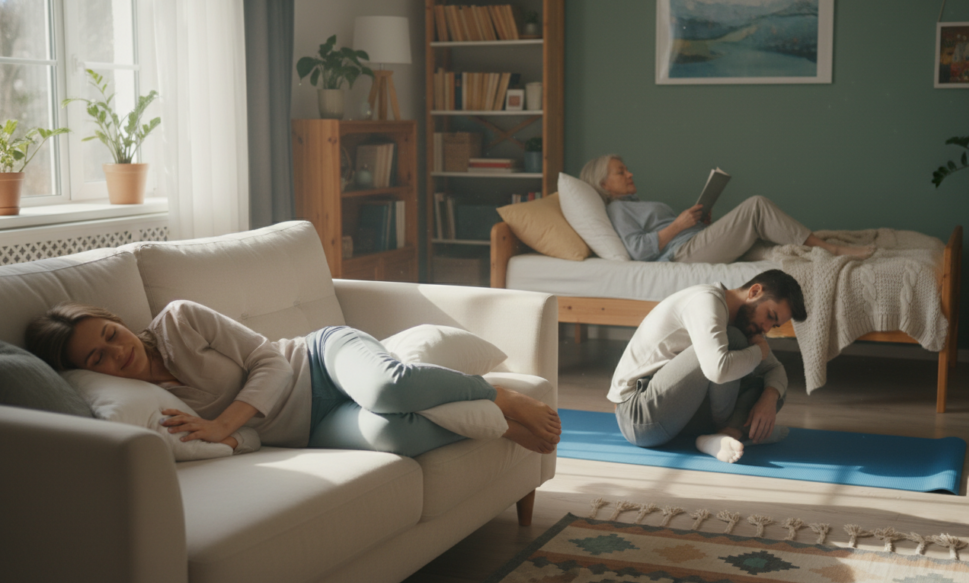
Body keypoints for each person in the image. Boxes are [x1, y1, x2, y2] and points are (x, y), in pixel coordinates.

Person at [25, 300, 561, 458]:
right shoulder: (144, 402)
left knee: (386, 389)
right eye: (95, 360)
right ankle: (496, 425)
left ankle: (498, 395)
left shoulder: (181, 320)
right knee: (399, 437)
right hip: (312, 427)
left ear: (117, 320)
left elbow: (270, 361)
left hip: (318, 358)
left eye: (109, 336)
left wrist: (226, 423)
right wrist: (235, 439)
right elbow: (250, 440)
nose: (114, 356)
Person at [608, 269, 806, 463]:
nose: (766, 328)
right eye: (770, 316)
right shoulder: (706, 301)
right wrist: (757, 352)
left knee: (774, 388)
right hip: (639, 416)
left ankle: (723, 436)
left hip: (675, 414)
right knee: (733, 341)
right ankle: (739, 431)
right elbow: (717, 371)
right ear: (755, 292)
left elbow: (775, 369)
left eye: (774, 325)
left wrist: (769, 398)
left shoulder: (744, 323)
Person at [578, 154, 874, 264]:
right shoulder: (618, 211)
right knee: (756, 206)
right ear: (603, 185)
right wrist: (679, 225)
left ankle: (822, 253)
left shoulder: (635, 204)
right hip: (684, 253)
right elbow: (638, 251)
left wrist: (698, 221)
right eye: (621, 172)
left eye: (627, 169)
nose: (630, 174)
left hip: (695, 240)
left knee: (771, 243)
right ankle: (831, 249)